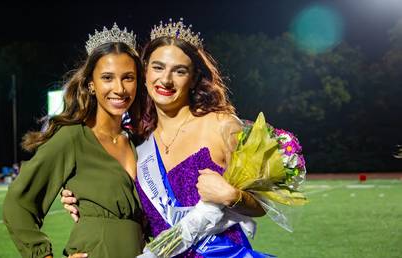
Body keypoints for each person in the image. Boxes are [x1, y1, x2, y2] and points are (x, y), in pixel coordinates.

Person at [64, 19, 270, 258]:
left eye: (179, 71)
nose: (166, 80)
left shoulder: (222, 125)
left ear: (193, 78)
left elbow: (260, 204)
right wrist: (80, 199)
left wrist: (233, 196)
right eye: (158, 67)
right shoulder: (136, 140)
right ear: (145, 71)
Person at [2, 23, 145, 258]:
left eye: (128, 77)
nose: (119, 88)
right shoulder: (72, 137)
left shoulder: (138, 142)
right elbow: (18, 204)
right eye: (107, 77)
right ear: (91, 84)